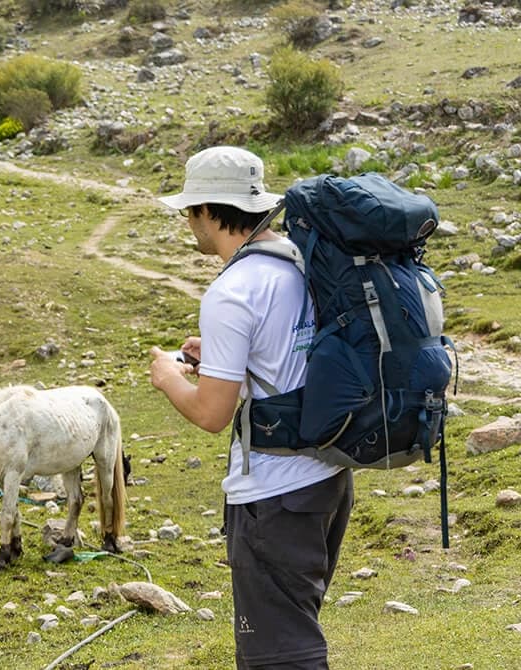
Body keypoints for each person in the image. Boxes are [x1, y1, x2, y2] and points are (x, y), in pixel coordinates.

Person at [147, 146, 353, 669]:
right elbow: (286, 358)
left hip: (272, 496)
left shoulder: (233, 289)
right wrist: (217, 358)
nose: (188, 222)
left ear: (209, 211)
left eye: (189, 211)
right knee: (296, 634)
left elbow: (212, 416)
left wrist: (169, 378)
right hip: (327, 478)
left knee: (282, 659)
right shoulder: (299, 260)